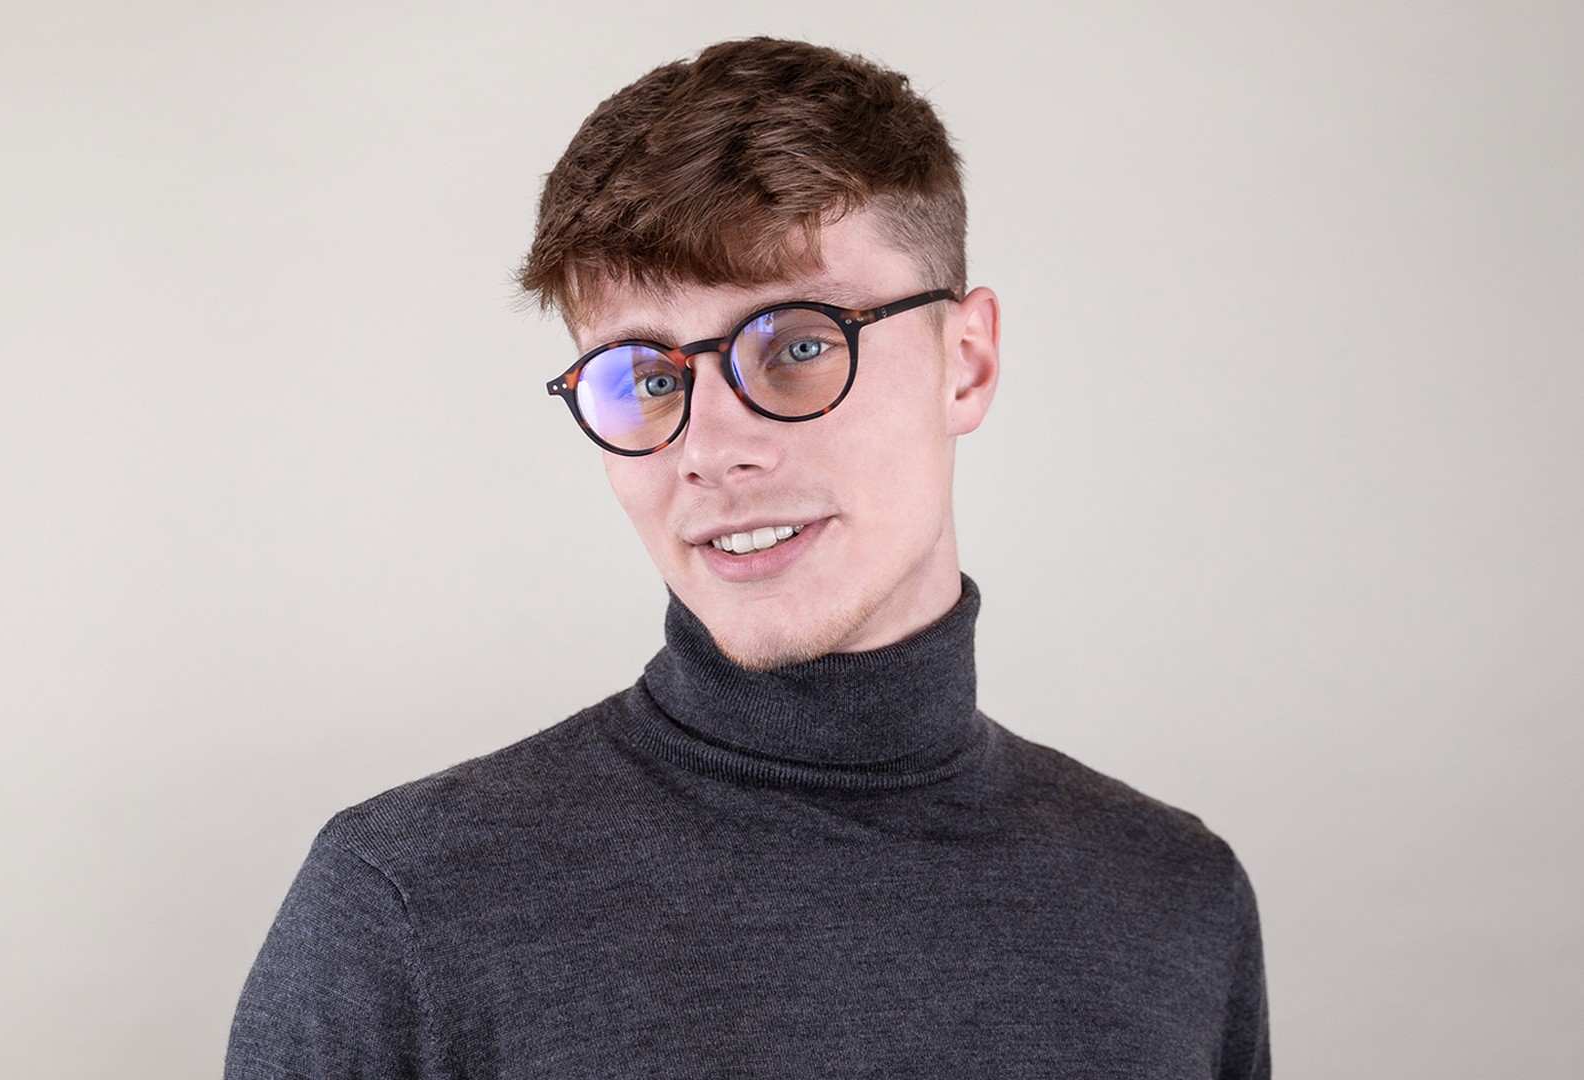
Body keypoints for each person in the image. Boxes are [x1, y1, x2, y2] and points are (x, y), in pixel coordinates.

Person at [226, 37, 1269, 1078]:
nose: (711, 449)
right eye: (647, 378)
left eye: (799, 344)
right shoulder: (405, 908)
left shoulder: (1180, 902)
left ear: (966, 363)